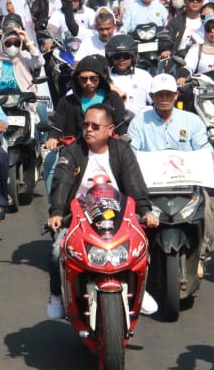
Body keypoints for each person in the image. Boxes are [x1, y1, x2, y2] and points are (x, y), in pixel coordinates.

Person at [45, 105, 159, 318]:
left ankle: (141, 292)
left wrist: (145, 211)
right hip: (79, 216)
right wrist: (57, 213)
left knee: (141, 247)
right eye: (86, 125)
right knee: (55, 252)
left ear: (110, 129)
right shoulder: (72, 151)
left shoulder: (121, 150)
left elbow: (134, 183)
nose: (88, 129)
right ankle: (57, 296)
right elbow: (62, 183)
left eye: (95, 126)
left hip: (119, 213)